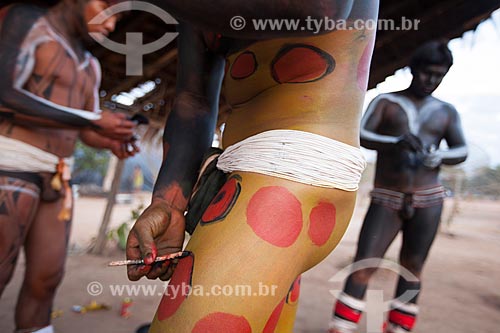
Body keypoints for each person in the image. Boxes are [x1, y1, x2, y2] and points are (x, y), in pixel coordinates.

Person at [126, 1, 379, 332]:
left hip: (289, 177)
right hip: (251, 184)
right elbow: (193, 101)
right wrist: (168, 203)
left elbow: (318, 12)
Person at [0, 1, 138, 332]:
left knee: (46, 281)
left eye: (119, 16)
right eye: (106, 6)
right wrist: (93, 119)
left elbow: (81, 128)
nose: (111, 23)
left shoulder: (90, 64)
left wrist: (106, 139)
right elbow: (4, 94)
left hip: (59, 175)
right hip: (11, 164)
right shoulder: (27, 20)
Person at [329, 41, 468, 333]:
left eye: (438, 75)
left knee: (413, 267)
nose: (431, 80)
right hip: (387, 198)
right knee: (365, 264)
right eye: (426, 73)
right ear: (412, 70)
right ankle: (341, 328)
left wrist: (439, 155)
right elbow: (361, 134)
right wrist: (395, 142)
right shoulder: (386, 102)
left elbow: (461, 150)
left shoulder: (446, 111)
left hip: (428, 200)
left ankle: (398, 328)